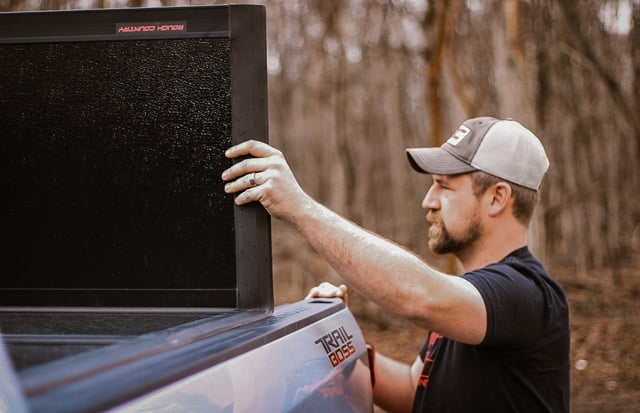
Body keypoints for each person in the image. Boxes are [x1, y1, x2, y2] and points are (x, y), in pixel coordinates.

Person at [222, 116, 570, 412]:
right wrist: (339, 341)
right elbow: (413, 390)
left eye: (443, 187)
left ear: (497, 198)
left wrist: (299, 208)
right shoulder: (471, 299)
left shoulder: (526, 293)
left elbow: (418, 295)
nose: (427, 201)